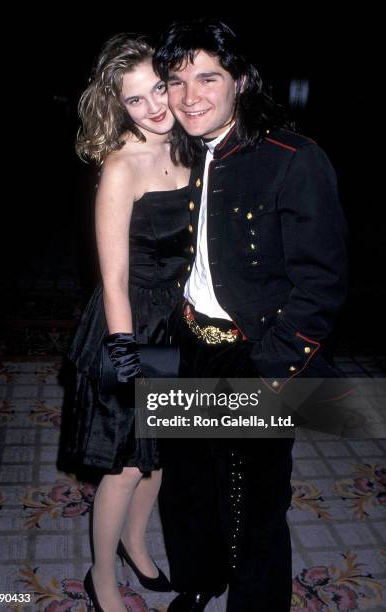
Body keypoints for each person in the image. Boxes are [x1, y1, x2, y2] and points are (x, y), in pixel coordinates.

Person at [153, 18, 348, 612]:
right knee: (188, 483)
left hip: (254, 348)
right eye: (178, 80)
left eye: (208, 77)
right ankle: (200, 578)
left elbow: (323, 282)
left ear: (241, 81)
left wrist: (274, 369)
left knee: (254, 498)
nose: (190, 97)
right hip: (189, 340)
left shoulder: (293, 157)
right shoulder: (181, 147)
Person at [63, 33, 193, 612]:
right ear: (119, 106)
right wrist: (127, 359)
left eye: (158, 89)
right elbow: (113, 279)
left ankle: (137, 546)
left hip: (178, 321)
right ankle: (102, 577)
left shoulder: (189, 147)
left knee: (160, 457)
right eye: (135, 100)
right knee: (126, 465)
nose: (154, 106)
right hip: (131, 325)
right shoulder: (121, 167)